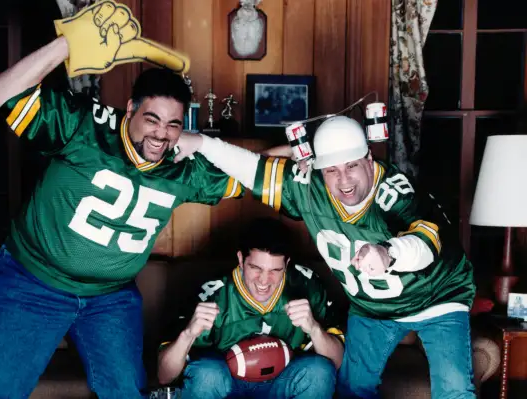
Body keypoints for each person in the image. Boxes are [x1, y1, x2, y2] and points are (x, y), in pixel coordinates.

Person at [0, 4, 242, 398]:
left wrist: (315, 154)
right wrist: (69, 44)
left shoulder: (182, 166)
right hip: (34, 282)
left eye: (173, 124)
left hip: (109, 296)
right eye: (152, 119)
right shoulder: (83, 127)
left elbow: (254, 175)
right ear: (130, 109)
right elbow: (0, 92)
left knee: (125, 392)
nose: (162, 134)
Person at [174, 116, 477, 398]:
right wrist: (202, 143)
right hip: (373, 305)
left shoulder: (395, 193)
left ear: (369, 160)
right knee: (351, 388)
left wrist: (388, 252)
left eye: (352, 166)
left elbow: (427, 240)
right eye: (332, 169)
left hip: (437, 295)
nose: (344, 180)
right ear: (320, 168)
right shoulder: (310, 186)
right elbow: (253, 169)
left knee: (455, 389)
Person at [157, 218, 344, 399]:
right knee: (208, 374)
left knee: (319, 372)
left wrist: (314, 329)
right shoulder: (212, 294)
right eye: (256, 268)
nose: (264, 280)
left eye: (274, 270)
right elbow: (164, 375)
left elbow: (336, 363)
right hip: (227, 383)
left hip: (282, 381)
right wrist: (188, 333)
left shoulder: (306, 286)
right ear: (240, 259)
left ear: (286, 264)